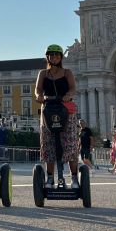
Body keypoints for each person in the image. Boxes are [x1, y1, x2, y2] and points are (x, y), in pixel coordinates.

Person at [36, 44, 80, 188]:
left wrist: (68, 95)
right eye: (51, 54)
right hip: (49, 110)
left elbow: (73, 88)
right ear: (47, 57)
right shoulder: (43, 73)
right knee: (48, 144)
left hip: (66, 110)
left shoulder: (67, 73)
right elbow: (38, 90)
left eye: (56, 54)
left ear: (61, 57)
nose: (54, 57)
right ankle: (50, 178)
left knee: (70, 143)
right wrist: (39, 97)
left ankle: (74, 178)